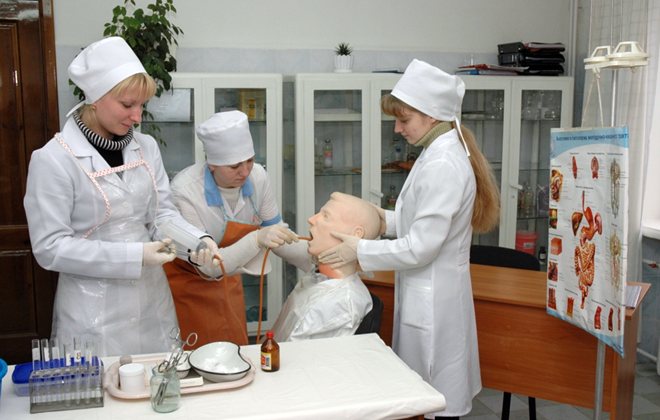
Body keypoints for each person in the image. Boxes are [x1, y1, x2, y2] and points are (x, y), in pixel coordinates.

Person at [319, 59, 500, 419]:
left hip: (434, 302)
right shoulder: (436, 153)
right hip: (428, 292)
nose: (398, 128)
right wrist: (376, 218)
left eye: (404, 119)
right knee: (426, 396)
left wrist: (360, 249)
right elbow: (419, 222)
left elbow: (421, 247)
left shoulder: (443, 163)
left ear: (431, 116)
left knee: (433, 397)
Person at [23, 37, 221, 357]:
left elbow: (161, 216)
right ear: (95, 99)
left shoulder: (146, 148)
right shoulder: (54, 159)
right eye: (128, 105)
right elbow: (50, 248)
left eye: (141, 105)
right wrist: (135, 255)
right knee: (103, 387)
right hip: (91, 312)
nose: (137, 116)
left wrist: (196, 241)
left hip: (151, 302)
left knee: (158, 380)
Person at [165, 110, 313, 347]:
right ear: (212, 165)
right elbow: (209, 267)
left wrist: (316, 259)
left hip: (229, 272)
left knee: (233, 345)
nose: (245, 172)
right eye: (234, 166)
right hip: (190, 279)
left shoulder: (257, 177)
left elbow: (276, 233)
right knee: (197, 350)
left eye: (250, 161)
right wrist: (256, 239)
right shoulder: (185, 191)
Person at [272, 192, 378, 342]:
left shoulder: (340, 303)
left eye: (326, 216)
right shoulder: (319, 278)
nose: (311, 219)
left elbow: (301, 355)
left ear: (355, 235)